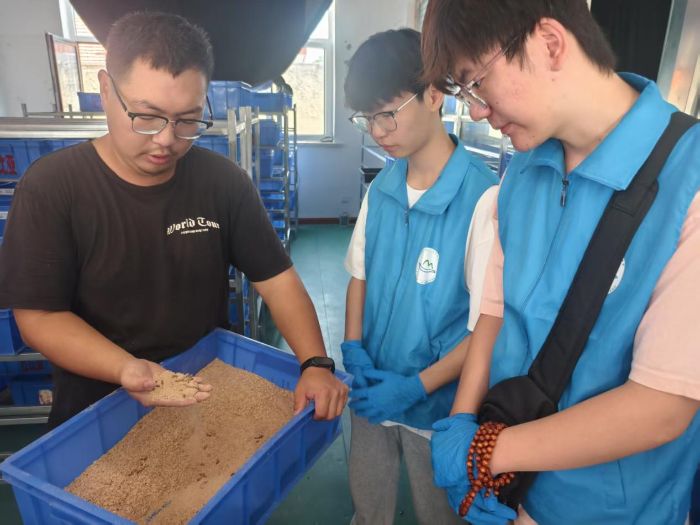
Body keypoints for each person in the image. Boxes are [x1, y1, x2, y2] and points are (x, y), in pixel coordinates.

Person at [420, 1, 700, 524]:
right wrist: (462, 420)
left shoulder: (689, 179)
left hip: (609, 510)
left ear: (549, 43)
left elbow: (661, 407)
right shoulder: (523, 172)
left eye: (476, 82)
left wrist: (486, 454)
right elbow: (495, 313)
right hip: (509, 490)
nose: (476, 111)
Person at [0, 11, 348, 429]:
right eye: (146, 117)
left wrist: (315, 362)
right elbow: (39, 316)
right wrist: (126, 368)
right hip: (98, 415)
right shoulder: (53, 187)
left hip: (204, 398)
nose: (166, 140)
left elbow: (277, 280)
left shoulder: (222, 182)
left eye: (187, 120)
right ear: (106, 90)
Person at [342, 28, 499, 525]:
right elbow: (359, 275)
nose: (377, 130)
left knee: (438, 511)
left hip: (436, 405)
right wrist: (353, 347)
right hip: (372, 387)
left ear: (434, 95)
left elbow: (487, 326)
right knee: (369, 500)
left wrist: (415, 387)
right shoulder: (383, 187)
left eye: (387, 113)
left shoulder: (483, 198)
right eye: (367, 118)